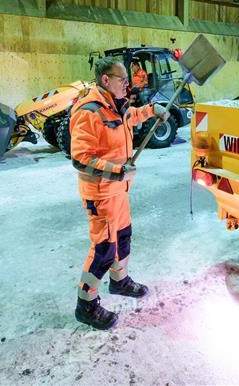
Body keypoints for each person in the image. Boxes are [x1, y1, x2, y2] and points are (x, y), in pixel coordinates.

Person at [70, 57, 170, 330]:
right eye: (122, 79)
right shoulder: (89, 111)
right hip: (100, 192)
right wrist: (115, 170)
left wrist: (151, 110)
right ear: (106, 80)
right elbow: (81, 158)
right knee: (103, 249)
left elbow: (131, 116)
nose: (128, 84)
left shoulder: (117, 105)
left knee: (123, 237)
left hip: (119, 190)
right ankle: (86, 305)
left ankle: (119, 281)